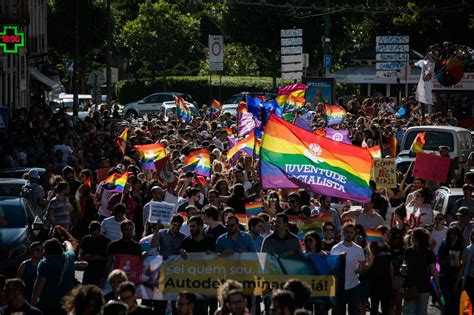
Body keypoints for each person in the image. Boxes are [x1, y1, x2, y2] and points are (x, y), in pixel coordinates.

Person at [402, 227, 441, 315]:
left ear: (416, 239)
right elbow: (434, 271)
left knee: (409, 311)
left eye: (412, 237)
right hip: (424, 286)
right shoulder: (429, 253)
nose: (411, 239)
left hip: (411, 284)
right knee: (422, 311)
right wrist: (438, 287)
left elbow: (403, 267)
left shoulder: (409, 251)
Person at [31, 238, 76, 314]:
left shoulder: (44, 263)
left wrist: (32, 304)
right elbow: (70, 247)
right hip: (67, 302)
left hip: (49, 304)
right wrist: (66, 242)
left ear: (47, 251)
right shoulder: (69, 257)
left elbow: (39, 285)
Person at [330, 223, 367, 315]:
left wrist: (360, 270)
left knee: (354, 312)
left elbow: (363, 268)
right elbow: (331, 268)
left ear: (354, 233)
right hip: (339, 287)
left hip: (354, 286)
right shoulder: (335, 248)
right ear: (343, 233)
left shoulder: (358, 249)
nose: (349, 234)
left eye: (351, 232)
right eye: (347, 232)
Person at [104, 220, 146, 286]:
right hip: (116, 280)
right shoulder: (113, 245)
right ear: (121, 230)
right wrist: (104, 278)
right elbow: (108, 264)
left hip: (132, 282)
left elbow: (139, 265)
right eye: (126, 229)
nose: (129, 232)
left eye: (131, 229)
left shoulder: (137, 246)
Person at [367, 225, 392, 315]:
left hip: (386, 283)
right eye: (387, 234)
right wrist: (371, 261)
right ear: (381, 234)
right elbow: (365, 267)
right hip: (374, 283)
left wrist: (392, 282)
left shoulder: (388, 248)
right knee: (374, 307)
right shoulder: (371, 248)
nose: (389, 236)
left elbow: (390, 266)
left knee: (385, 308)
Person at [438, 226, 464, 315]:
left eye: (455, 234)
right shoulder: (444, 244)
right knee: (447, 301)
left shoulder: (461, 246)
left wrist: (458, 281)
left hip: (457, 275)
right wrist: (447, 259)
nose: (453, 236)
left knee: (456, 302)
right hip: (445, 274)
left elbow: (463, 265)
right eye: (451, 233)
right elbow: (440, 262)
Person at [78, 221, 111, 285]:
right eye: (92, 234)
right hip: (88, 270)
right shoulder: (86, 239)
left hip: (100, 271)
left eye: (95, 235)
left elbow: (109, 259)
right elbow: (80, 254)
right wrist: (84, 258)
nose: (93, 237)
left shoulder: (107, 242)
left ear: (100, 231)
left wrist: (99, 257)